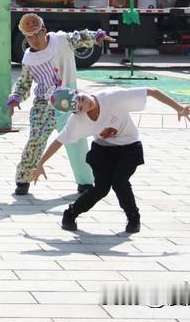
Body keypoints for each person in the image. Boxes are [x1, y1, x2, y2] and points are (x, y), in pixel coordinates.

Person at [29, 87, 190, 233]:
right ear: (76, 112)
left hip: (129, 146)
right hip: (102, 149)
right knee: (101, 188)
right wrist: (41, 164)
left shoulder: (113, 97)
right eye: (80, 107)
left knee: (119, 181)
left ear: (81, 91)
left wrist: (179, 108)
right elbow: (59, 141)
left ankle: (133, 218)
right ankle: (71, 213)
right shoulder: (77, 121)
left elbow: (151, 92)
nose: (85, 105)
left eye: (81, 99)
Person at [8, 13, 114, 196]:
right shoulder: (28, 59)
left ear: (44, 31)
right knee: (35, 140)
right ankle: (24, 179)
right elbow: (24, 83)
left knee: (76, 140)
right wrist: (15, 97)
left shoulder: (61, 40)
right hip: (43, 104)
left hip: (70, 101)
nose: (34, 40)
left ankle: (85, 182)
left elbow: (79, 37)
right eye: (29, 36)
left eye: (36, 34)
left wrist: (96, 35)